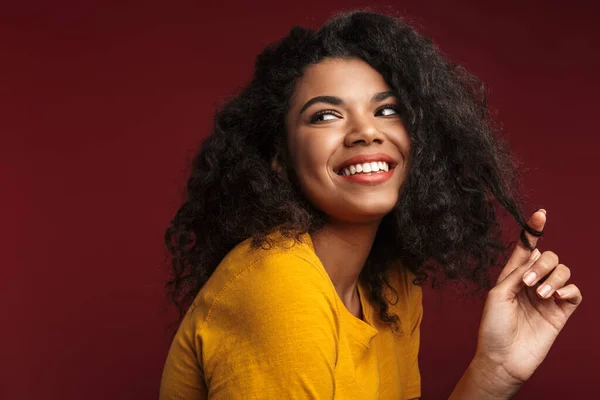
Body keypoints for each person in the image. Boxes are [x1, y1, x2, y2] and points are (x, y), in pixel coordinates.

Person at [159, 10, 582, 400]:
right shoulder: (278, 286)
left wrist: (495, 370)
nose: (366, 132)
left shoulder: (388, 289)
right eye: (325, 116)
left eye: (387, 110)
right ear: (279, 159)